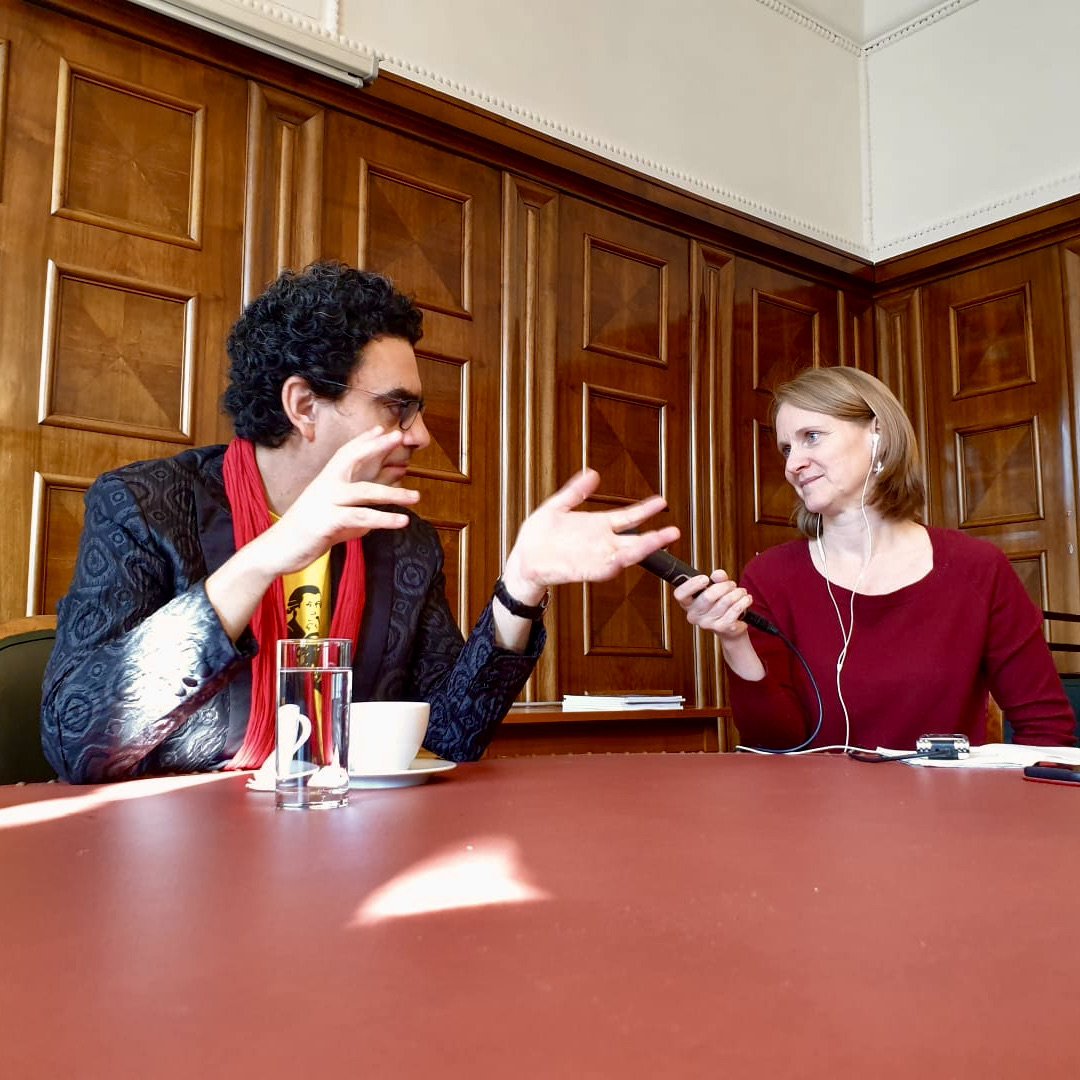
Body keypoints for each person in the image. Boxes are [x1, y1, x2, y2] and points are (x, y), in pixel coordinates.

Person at [41, 261, 679, 783]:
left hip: (346, 850)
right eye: (397, 408)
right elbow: (76, 741)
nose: (422, 435)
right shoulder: (144, 506)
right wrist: (267, 556)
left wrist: (521, 587)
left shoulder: (403, 542)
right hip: (174, 867)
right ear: (304, 405)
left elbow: (449, 737)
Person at [673, 365, 1075, 751]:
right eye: (786, 448)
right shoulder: (770, 575)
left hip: (947, 816)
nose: (792, 464)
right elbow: (778, 744)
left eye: (812, 436)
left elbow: (1047, 729)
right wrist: (734, 639)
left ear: (877, 435)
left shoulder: (978, 567)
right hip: (810, 816)